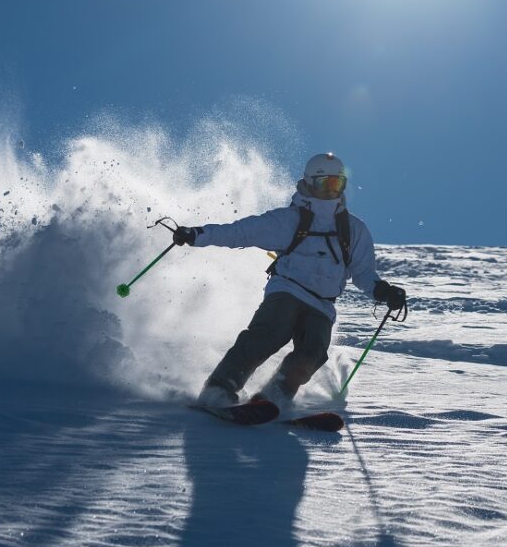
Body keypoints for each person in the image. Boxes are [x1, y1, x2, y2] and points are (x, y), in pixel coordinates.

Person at [172, 152, 407, 407]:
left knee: (313, 354)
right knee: (267, 335)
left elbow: (363, 272)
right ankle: (220, 388)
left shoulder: (353, 229)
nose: (330, 191)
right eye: (324, 184)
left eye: (336, 184)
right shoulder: (290, 219)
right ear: (309, 183)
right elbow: (241, 232)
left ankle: (274, 397)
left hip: (322, 305)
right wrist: (198, 235)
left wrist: (382, 291)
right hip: (287, 290)